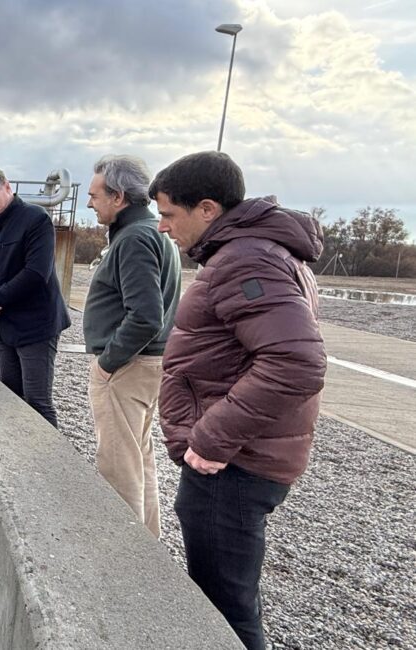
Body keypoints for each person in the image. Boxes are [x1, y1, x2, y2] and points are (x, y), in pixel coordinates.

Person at [150, 151, 326, 650]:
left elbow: (296, 362)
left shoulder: (244, 259)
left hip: (230, 467)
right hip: (239, 460)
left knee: (224, 608)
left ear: (207, 209)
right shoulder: (258, 252)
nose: (163, 227)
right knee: (229, 596)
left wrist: (209, 440)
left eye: (168, 214)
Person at [83, 155, 181, 537]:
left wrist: (108, 363)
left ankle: (123, 558)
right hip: (146, 365)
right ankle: (147, 546)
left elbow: (145, 315)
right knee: (139, 459)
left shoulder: (136, 238)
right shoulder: (150, 232)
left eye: (94, 196)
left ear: (119, 197)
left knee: (118, 466)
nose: (90, 203)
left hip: (128, 368)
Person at [0, 165, 70, 427]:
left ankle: (49, 461)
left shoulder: (36, 219)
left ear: (7, 187)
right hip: (5, 324)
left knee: (38, 401)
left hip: (36, 324)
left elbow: (37, 273)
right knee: (10, 395)